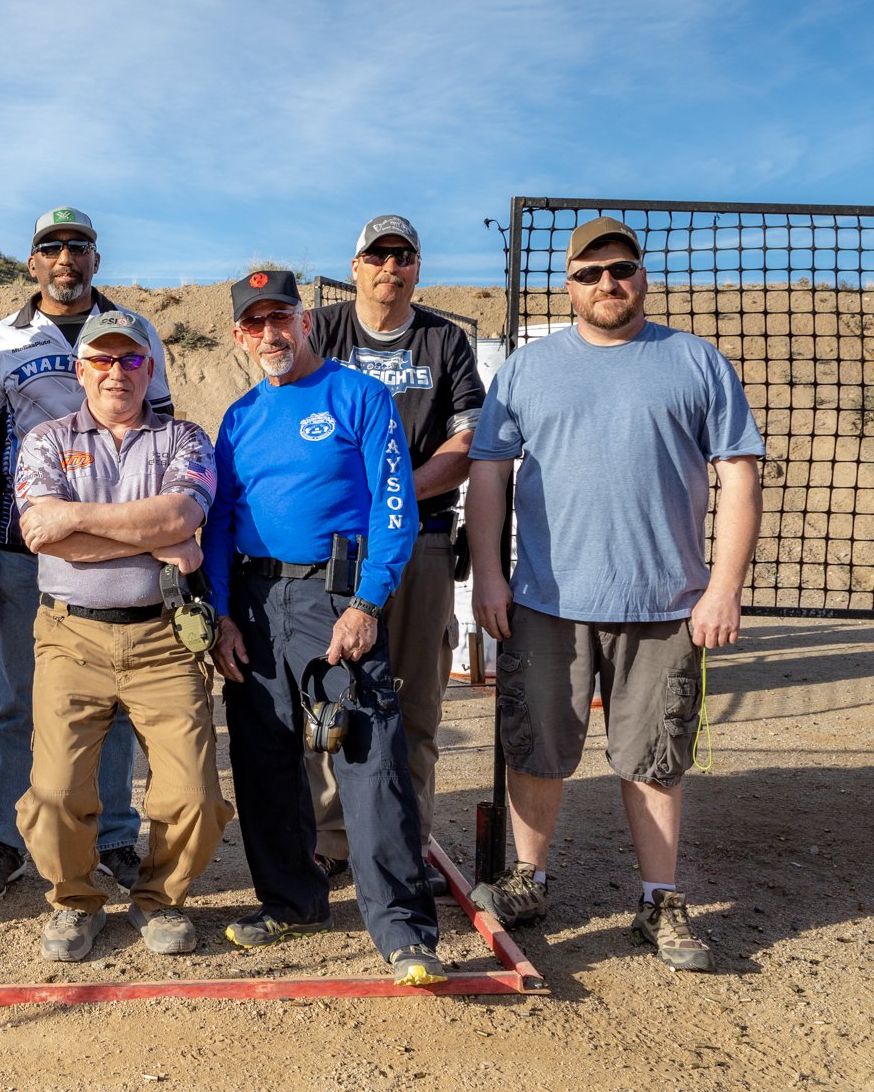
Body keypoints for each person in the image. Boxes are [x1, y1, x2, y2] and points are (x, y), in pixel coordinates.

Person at [466, 216, 763, 971]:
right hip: (545, 602)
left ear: (642, 276)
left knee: (656, 757)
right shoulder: (529, 372)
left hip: (667, 606)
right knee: (536, 749)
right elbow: (491, 478)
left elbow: (739, 475)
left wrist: (723, 588)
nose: (608, 284)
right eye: (591, 273)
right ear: (568, 284)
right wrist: (491, 577)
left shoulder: (696, 362)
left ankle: (659, 898)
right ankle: (529, 881)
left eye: (621, 269)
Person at [202, 268, 448, 988]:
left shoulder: (359, 397)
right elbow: (218, 523)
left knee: (369, 763)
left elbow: (394, 509)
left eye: (282, 319)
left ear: (306, 322)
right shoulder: (239, 417)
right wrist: (220, 614)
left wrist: (367, 604)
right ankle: (292, 900)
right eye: (255, 324)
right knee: (265, 759)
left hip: (335, 600)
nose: (270, 334)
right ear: (240, 335)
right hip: (252, 600)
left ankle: (403, 931)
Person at [0, 206, 174, 902]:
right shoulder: (1, 341)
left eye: (78, 246)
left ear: (95, 260)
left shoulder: (139, 333)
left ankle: (112, 836)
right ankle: (6, 837)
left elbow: (164, 438)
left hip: (125, 545)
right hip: (32, 546)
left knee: (110, 697)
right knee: (21, 699)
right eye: (50, 247)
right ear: (32, 263)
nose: (65, 258)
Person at [11, 309, 232, 960]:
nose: (117, 373)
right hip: (69, 637)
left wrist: (80, 526)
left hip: (164, 639)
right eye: (102, 360)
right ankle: (75, 902)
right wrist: (160, 541)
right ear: (79, 370)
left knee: (193, 792)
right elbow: (37, 531)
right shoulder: (45, 440)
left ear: (150, 368)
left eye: (131, 360)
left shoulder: (184, 439)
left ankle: (157, 900)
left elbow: (183, 511)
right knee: (54, 792)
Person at [307, 214, 485, 896]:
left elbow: (466, 446)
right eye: (376, 254)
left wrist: (393, 494)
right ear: (354, 266)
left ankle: (406, 844)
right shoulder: (320, 331)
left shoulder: (445, 340)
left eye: (403, 255)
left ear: (417, 267)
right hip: (331, 545)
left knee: (412, 703)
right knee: (327, 697)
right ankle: (329, 842)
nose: (390, 265)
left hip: (422, 541)